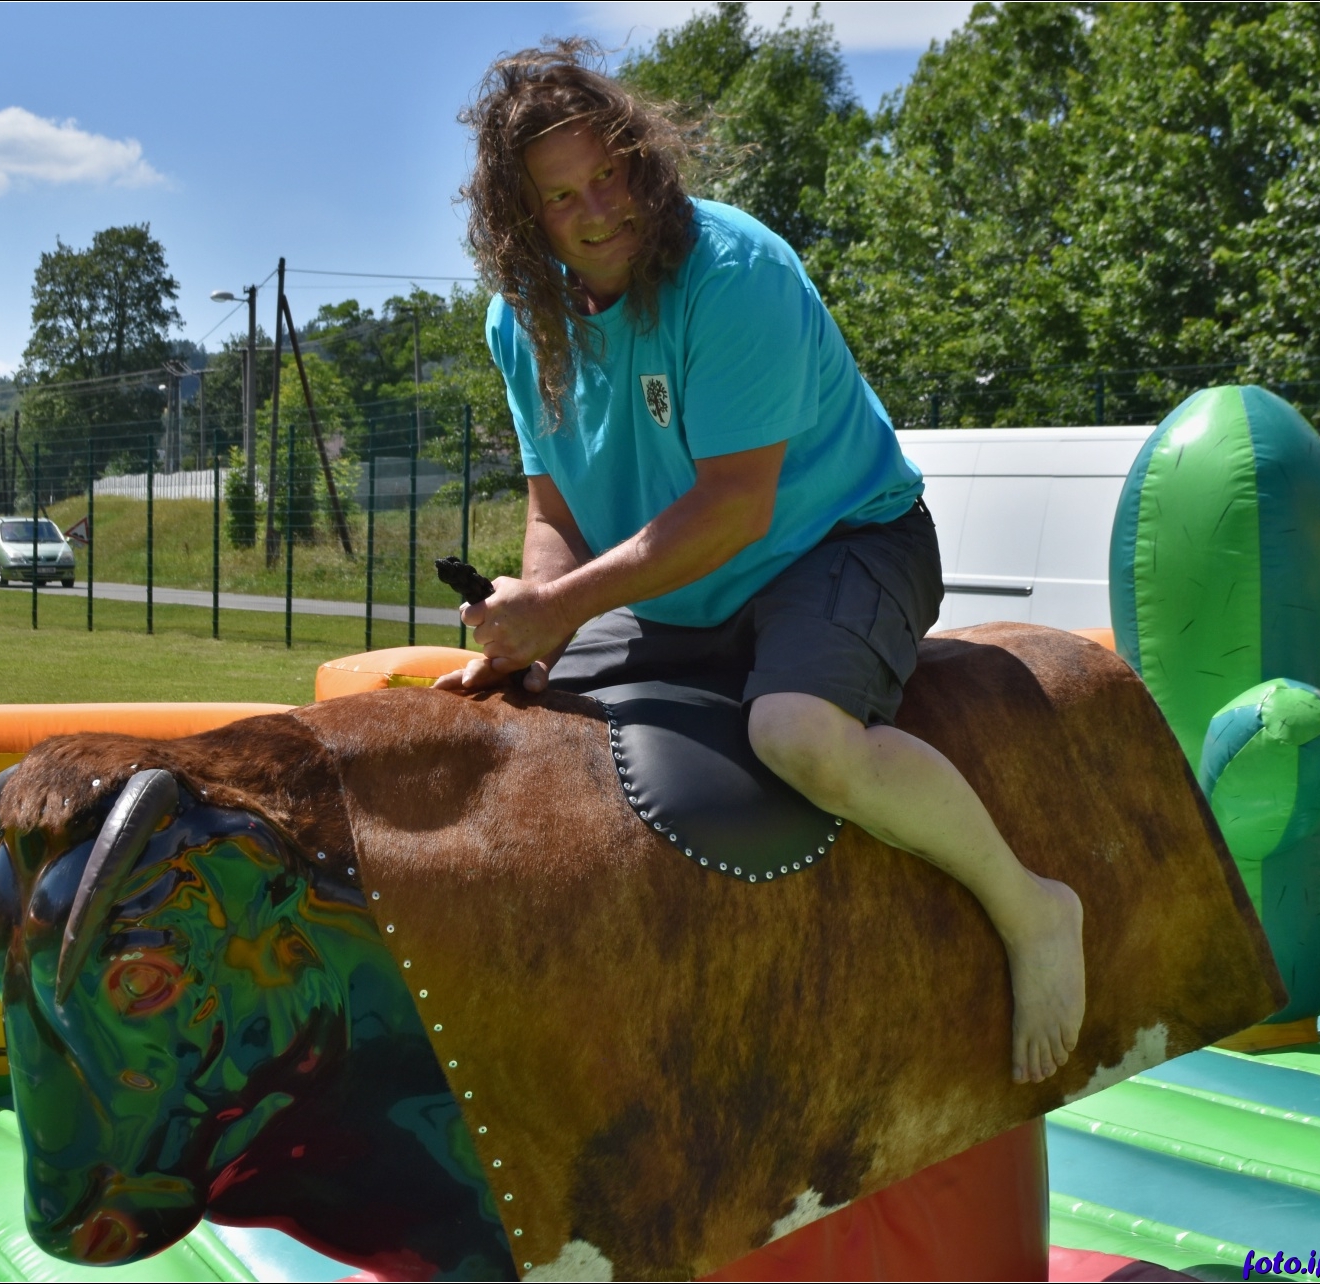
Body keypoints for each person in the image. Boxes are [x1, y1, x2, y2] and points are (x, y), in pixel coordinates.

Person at [437, 42, 1085, 1085]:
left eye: (609, 172)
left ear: (643, 157)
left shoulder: (733, 271)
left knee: (797, 734)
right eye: (560, 196)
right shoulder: (523, 319)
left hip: (839, 541)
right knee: (517, 725)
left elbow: (736, 509)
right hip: (677, 587)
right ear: (522, 219)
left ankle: (1032, 907)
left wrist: (560, 607)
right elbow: (554, 507)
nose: (598, 209)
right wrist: (533, 623)